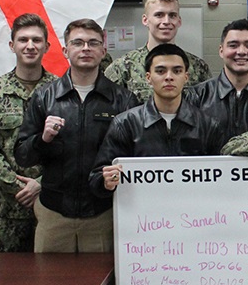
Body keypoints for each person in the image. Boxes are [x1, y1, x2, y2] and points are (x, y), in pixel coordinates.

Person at [15, 18, 138, 253]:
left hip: (103, 214)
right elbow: (22, 156)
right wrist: (43, 139)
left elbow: (134, 156)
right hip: (54, 214)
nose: (85, 49)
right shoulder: (44, 98)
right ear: (65, 50)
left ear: (103, 50)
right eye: (78, 43)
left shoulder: (123, 100)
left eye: (93, 43)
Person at [0, 14, 58, 252]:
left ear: (47, 46)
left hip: (52, 205)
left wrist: (40, 184)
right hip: (4, 211)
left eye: (37, 40)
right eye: (23, 40)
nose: (30, 46)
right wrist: (20, 188)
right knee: (3, 283)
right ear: (12, 46)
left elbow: (73, 148)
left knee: (54, 282)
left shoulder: (63, 93)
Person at [91, 44, 226, 196]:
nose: (169, 77)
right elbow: (97, 177)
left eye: (177, 71)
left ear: (186, 77)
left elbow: (222, 178)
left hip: (194, 215)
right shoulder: (126, 123)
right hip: (143, 215)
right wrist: (106, 181)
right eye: (160, 71)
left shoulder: (207, 125)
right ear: (148, 78)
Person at [104, 0, 210, 100]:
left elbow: (207, 107)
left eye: (172, 15)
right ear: (145, 20)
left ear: (179, 21)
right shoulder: (123, 67)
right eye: (159, 15)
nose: (166, 21)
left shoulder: (197, 67)